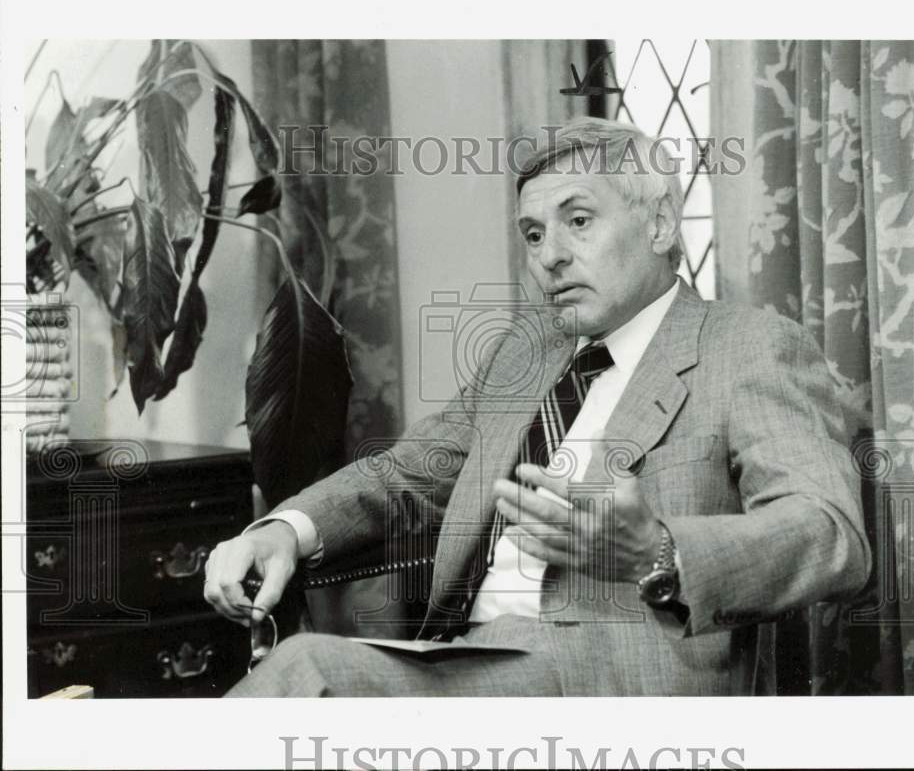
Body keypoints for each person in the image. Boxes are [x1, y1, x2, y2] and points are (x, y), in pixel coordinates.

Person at [204, 116, 872, 697]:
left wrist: (658, 551)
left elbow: (830, 534)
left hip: (610, 684)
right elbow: (408, 471)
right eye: (531, 234)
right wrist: (284, 530)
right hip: (461, 660)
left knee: (306, 671)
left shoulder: (749, 346)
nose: (549, 255)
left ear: (661, 223)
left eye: (578, 221)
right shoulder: (530, 349)